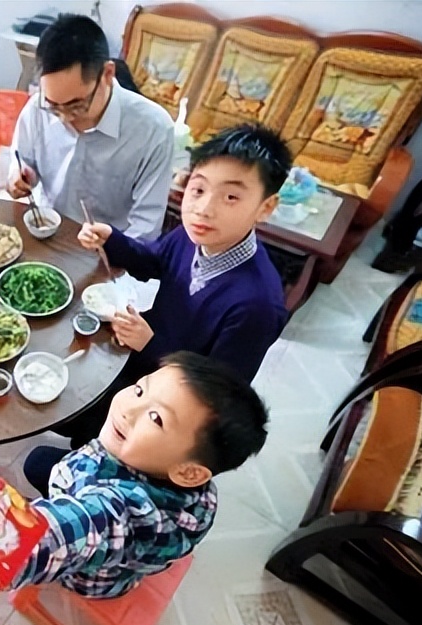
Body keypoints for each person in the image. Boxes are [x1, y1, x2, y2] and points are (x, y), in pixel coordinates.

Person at [0, 352, 268, 608]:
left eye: (156, 418)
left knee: (36, 464)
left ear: (190, 472)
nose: (127, 408)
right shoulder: (193, 484)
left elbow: (60, 534)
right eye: (139, 390)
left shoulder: (128, 513)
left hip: (93, 576)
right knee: (38, 461)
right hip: (110, 524)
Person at [52, 123, 290, 450]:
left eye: (231, 196)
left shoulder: (258, 306)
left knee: (78, 413)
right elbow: (153, 261)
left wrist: (150, 344)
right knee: (65, 378)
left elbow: (216, 397)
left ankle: (99, 455)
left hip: (166, 407)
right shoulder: (193, 235)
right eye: (198, 189)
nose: (204, 208)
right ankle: (85, 441)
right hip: (140, 359)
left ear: (265, 207)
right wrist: (112, 240)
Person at [7, 14, 174, 241]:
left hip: (110, 250)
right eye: (54, 106)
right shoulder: (37, 108)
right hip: (48, 231)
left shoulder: (153, 129)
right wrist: (20, 177)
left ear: (107, 74)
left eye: (76, 105)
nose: (64, 118)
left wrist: (113, 254)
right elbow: (22, 161)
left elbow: (146, 226)